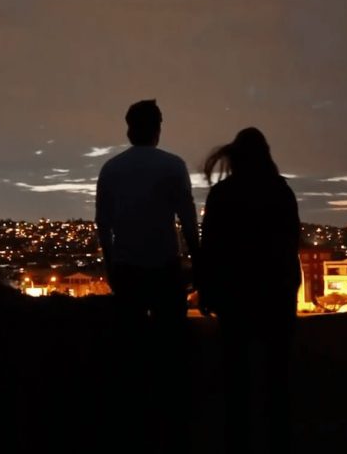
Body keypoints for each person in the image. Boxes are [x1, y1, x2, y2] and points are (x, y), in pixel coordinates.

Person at [95, 99, 199, 453]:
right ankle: (173, 420)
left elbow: (103, 226)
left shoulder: (111, 169)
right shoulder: (173, 166)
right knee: (171, 348)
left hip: (126, 269)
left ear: (129, 129)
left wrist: (111, 267)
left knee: (131, 350)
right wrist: (197, 261)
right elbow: (188, 220)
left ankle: (133, 421)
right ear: (158, 129)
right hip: (164, 268)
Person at [199, 127, 301, 454]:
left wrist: (207, 291)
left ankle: (237, 441)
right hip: (275, 295)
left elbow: (210, 248)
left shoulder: (222, 195)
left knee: (236, 380)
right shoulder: (281, 192)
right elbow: (290, 245)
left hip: (235, 297)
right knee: (277, 380)